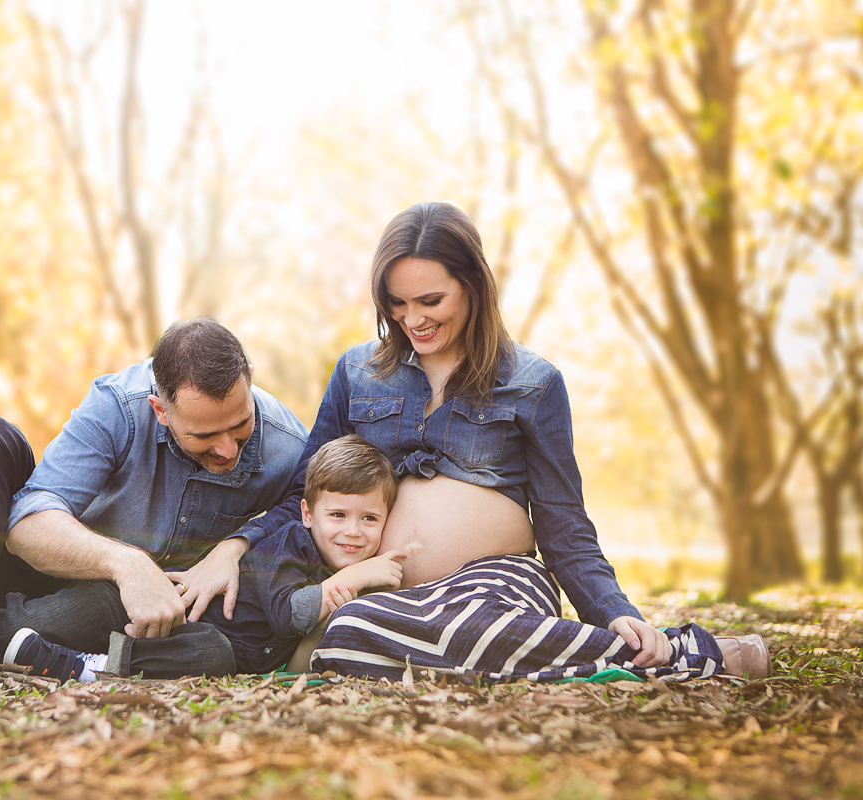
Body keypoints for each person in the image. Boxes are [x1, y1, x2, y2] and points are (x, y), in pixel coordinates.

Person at [235, 201, 770, 683]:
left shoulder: (533, 383)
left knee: (473, 628)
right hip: (385, 593)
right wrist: (231, 551)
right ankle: (622, 655)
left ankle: (670, 650)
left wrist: (615, 610)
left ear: (473, 284)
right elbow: (304, 493)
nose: (412, 319)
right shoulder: (358, 371)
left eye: (430, 300)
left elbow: (564, 524)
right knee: (350, 627)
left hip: (497, 583)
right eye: (396, 303)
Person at [0, 318, 309, 688]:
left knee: (184, 641)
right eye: (205, 435)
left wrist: (235, 546)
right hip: (53, 572)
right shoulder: (116, 407)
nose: (228, 448)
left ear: (249, 383)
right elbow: (27, 526)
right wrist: (126, 564)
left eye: (240, 426)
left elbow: (307, 509)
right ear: (160, 411)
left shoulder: (286, 443)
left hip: (130, 619)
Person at [0, 434, 408, 680]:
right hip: (160, 596)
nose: (353, 531)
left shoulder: (330, 559)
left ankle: (84, 666)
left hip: (203, 640)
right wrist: (363, 575)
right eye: (338, 515)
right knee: (30, 625)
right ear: (307, 514)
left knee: (214, 655)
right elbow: (290, 615)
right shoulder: (289, 547)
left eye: (369, 518)